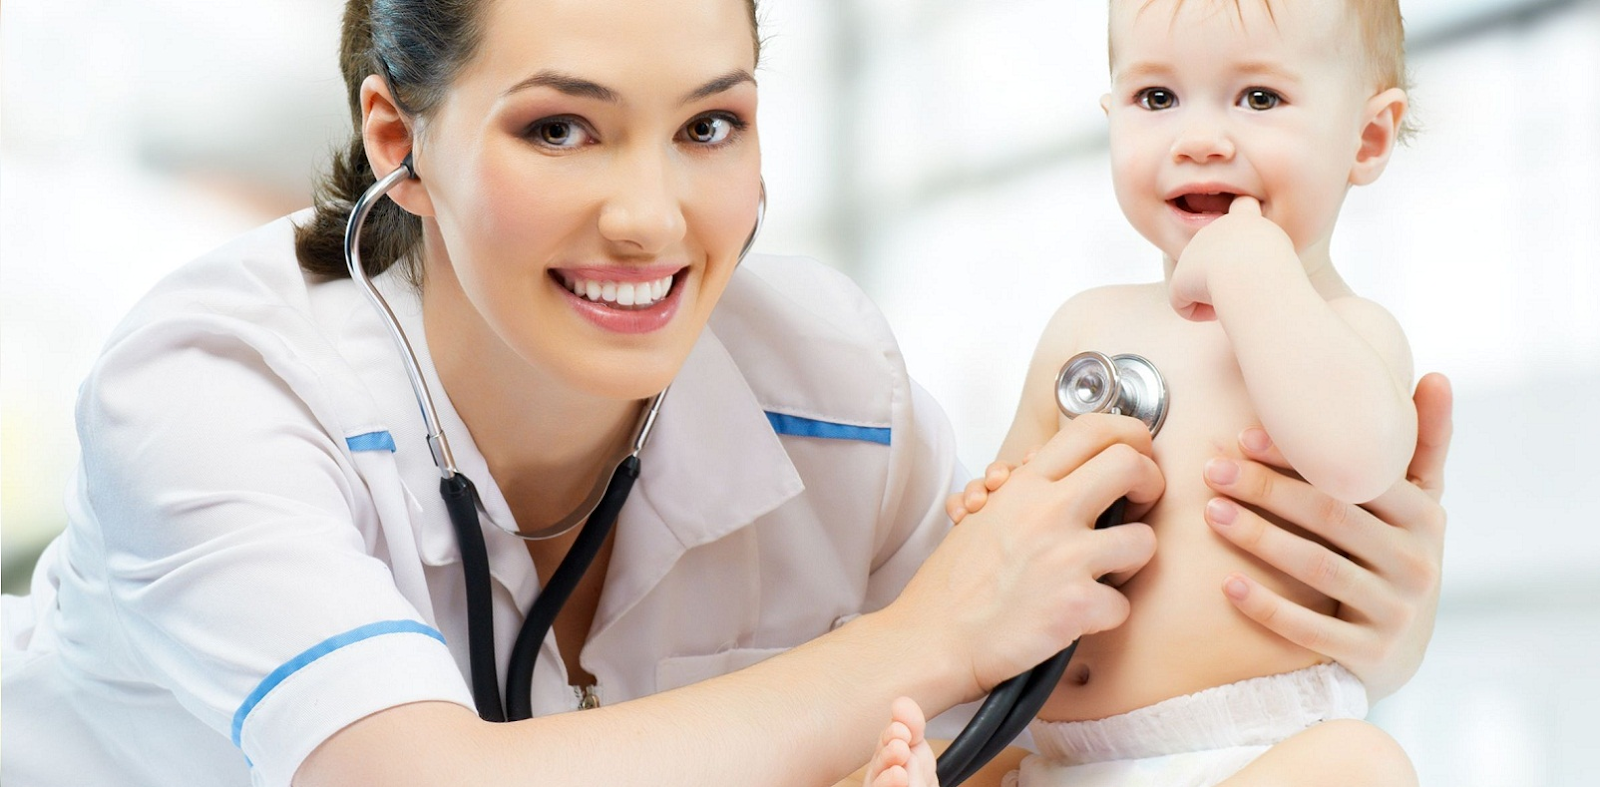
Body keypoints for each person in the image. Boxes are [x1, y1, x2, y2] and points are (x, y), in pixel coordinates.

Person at [0, 1, 1449, 786]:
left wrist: (1332, 633)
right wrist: (921, 636)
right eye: (559, 127)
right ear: (399, 137)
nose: (650, 218)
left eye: (709, 125)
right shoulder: (215, 383)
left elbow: (996, 721)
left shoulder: (829, 384)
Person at [863, 0, 1445, 785]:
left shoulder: (1354, 331)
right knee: (938, 760)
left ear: (1367, 139)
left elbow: (1358, 461)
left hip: (1252, 746)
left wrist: (1252, 267)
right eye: (1157, 98)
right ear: (1113, 115)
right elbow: (986, 561)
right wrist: (994, 506)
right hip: (1061, 752)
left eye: (1260, 98)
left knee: (1362, 762)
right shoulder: (1084, 325)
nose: (1199, 139)